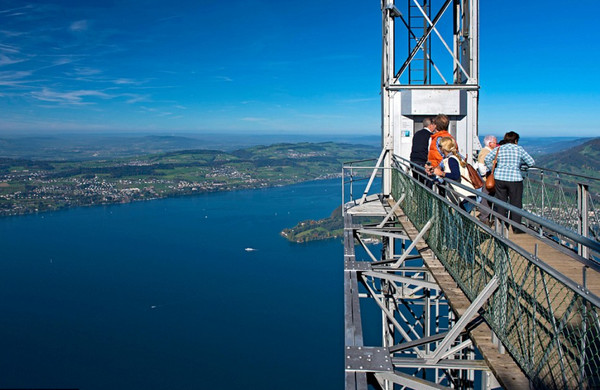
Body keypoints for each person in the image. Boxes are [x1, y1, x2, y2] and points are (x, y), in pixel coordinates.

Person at [484, 131, 535, 233]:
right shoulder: (519, 149)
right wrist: (519, 165)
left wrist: (495, 168)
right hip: (515, 179)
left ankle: (502, 225)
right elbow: (531, 162)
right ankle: (516, 228)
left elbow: (487, 159)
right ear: (516, 140)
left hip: (499, 178)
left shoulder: (499, 148)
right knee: (516, 203)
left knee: (501, 201)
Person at [433, 137, 477, 212]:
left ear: (443, 148)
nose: (438, 148)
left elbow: (456, 175)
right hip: (466, 195)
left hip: (464, 195)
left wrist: (441, 173)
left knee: (461, 221)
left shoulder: (451, 159)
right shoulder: (455, 157)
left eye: (439, 146)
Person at [477, 135, 497, 224]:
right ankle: (484, 217)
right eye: (495, 143)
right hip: (487, 178)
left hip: (487, 177)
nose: (496, 144)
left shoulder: (485, 151)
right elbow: (481, 165)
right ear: (490, 143)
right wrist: (485, 175)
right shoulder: (485, 152)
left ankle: (486, 216)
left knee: (487, 197)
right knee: (486, 197)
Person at [410, 118, 436, 182]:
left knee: (417, 182)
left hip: (413, 161)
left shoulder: (417, 134)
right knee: (427, 182)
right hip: (423, 161)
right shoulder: (430, 136)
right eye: (434, 125)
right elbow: (430, 150)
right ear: (430, 125)